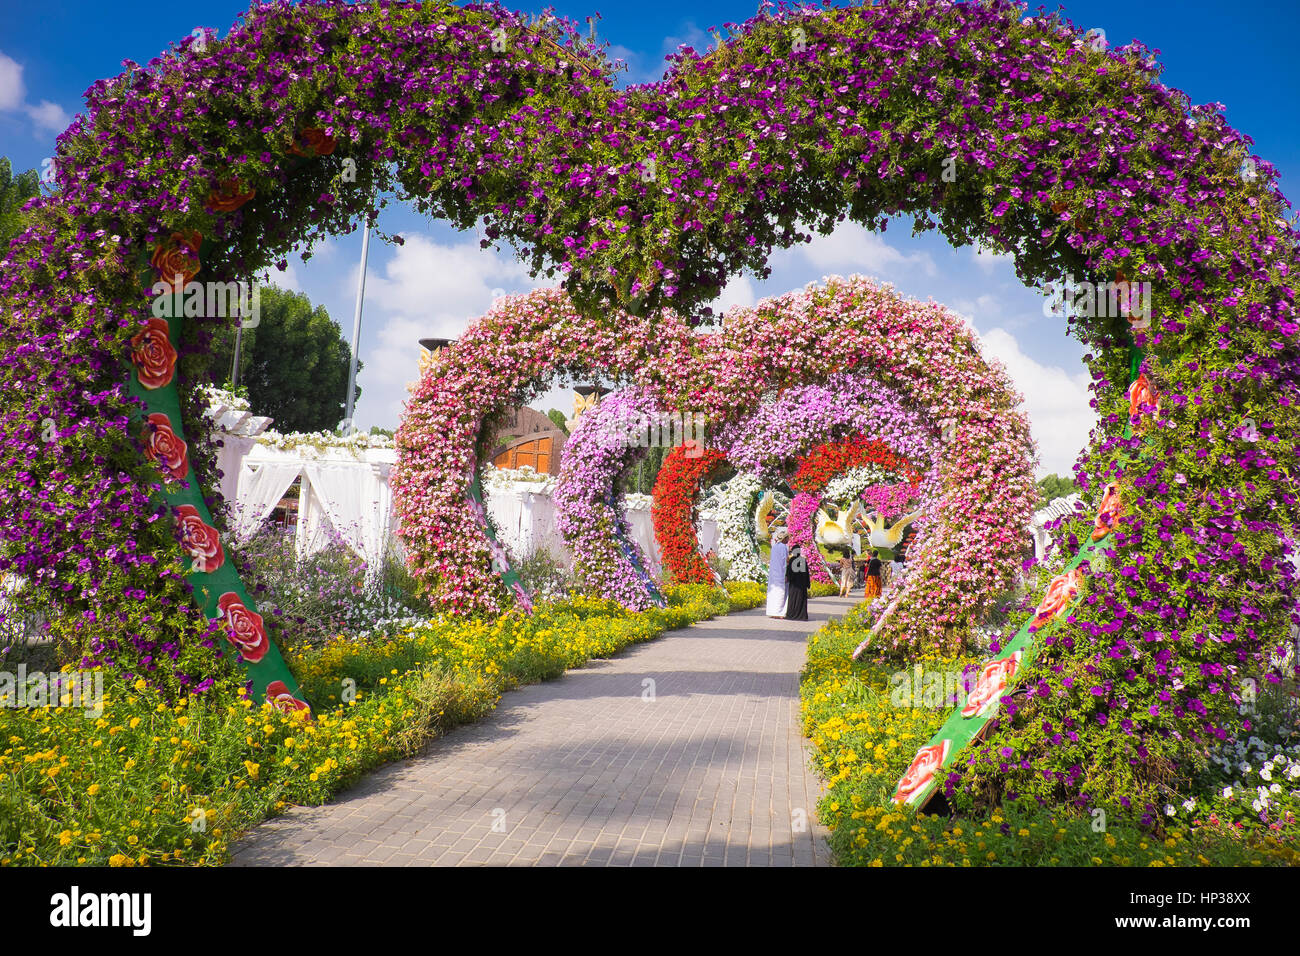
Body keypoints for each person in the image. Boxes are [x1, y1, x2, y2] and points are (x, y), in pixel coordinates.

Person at [784, 543, 811, 621]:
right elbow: (806, 573)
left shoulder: (792, 560)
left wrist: (787, 578)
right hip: (802, 584)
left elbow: (789, 571)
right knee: (801, 600)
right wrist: (807, 584)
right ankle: (801, 616)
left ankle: (792, 614)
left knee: (793, 599)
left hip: (794, 584)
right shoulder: (803, 560)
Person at [766, 530, 789, 617]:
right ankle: (779, 612)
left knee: (773, 593)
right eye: (787, 538)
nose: (788, 540)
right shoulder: (783, 547)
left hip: (773, 573)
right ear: (784, 538)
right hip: (781, 573)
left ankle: (771, 611)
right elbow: (785, 561)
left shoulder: (774, 547)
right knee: (781, 593)